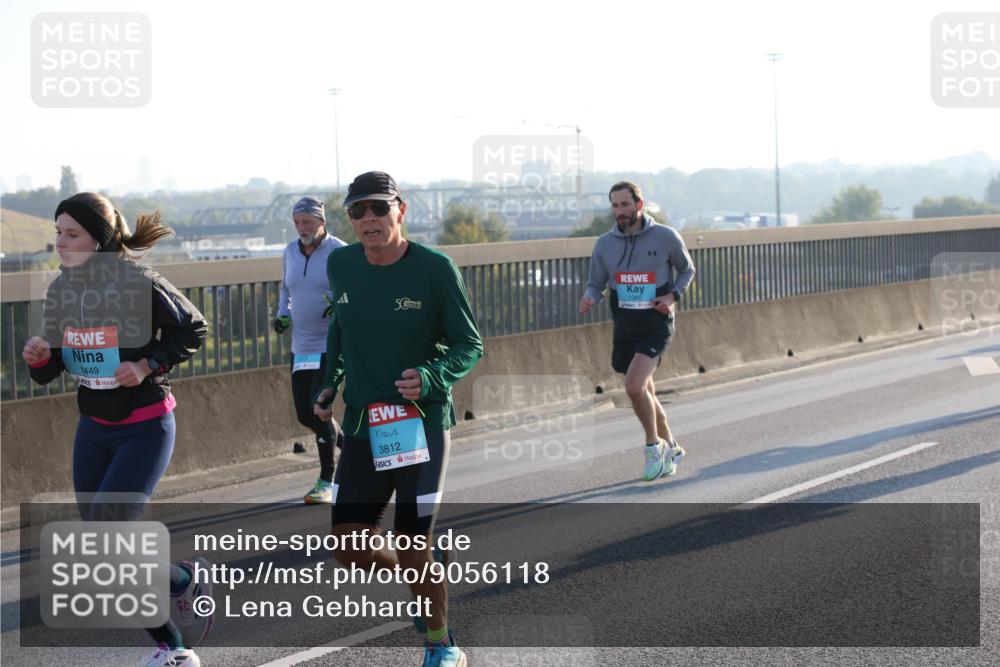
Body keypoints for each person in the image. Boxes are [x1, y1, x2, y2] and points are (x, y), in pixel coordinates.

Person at [22, 192, 213, 667]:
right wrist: (39, 359)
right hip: (94, 428)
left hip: (145, 428)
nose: (60, 243)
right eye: (57, 233)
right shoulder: (61, 291)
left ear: (100, 240)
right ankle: (183, 581)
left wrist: (149, 363)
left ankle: (174, 650)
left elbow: (194, 328)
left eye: (72, 234)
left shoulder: (139, 282)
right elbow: (55, 368)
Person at [313, 171, 482, 667]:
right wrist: (331, 380)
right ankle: (424, 570)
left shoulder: (435, 269)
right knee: (348, 548)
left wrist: (431, 377)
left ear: (400, 211)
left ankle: (441, 643)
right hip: (366, 424)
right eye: (358, 211)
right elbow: (340, 330)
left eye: (379, 209)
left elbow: (469, 344)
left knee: (411, 543)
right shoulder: (341, 264)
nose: (369, 219)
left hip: (420, 424)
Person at [579, 181, 696, 481]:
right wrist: (591, 296)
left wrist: (672, 297)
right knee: (644, 389)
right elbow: (597, 281)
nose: (619, 211)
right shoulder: (604, 244)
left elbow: (687, 270)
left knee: (633, 386)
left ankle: (652, 448)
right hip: (625, 321)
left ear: (639, 205)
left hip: (656, 321)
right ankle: (671, 444)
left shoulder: (665, 236)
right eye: (615, 206)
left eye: (625, 205)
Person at [273, 195, 346, 503]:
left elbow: (350, 290)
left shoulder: (339, 251)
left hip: (329, 343)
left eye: (307, 221)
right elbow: (286, 287)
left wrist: (339, 308)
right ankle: (353, 446)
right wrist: (282, 313)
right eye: (297, 222)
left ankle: (326, 481)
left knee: (319, 409)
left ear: (321, 222)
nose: (301, 227)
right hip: (301, 346)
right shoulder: (290, 251)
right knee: (306, 413)